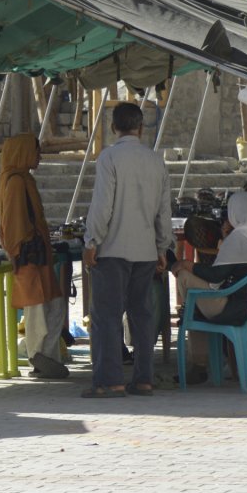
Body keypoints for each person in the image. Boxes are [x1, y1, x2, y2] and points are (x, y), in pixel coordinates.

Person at [82, 102, 173, 397]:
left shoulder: (109, 157)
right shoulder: (155, 160)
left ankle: (110, 381)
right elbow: (164, 211)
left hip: (113, 249)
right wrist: (162, 247)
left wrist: (91, 241)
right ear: (141, 128)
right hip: (146, 251)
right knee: (142, 316)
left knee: (107, 316)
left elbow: (102, 206)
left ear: (113, 128)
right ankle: (144, 378)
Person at [170, 190, 247, 383]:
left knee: (184, 277)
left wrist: (188, 264)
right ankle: (196, 333)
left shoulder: (238, 238)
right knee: (194, 302)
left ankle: (199, 361)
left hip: (233, 308)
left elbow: (215, 277)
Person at [0, 133, 68, 379]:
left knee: (53, 304)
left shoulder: (23, 179)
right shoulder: (16, 181)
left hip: (38, 255)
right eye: (35, 152)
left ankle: (46, 356)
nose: (38, 157)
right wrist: (18, 252)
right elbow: (14, 223)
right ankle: (39, 358)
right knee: (37, 310)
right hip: (29, 257)